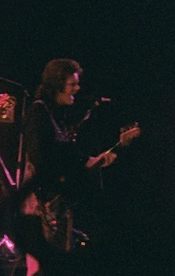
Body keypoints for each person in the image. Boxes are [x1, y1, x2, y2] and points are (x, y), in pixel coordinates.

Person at [21, 58, 117, 252]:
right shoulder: (38, 112)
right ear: (57, 85)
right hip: (41, 201)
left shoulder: (57, 115)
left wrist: (88, 162)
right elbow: (41, 158)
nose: (77, 88)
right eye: (72, 84)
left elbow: (63, 154)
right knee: (43, 265)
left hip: (57, 201)